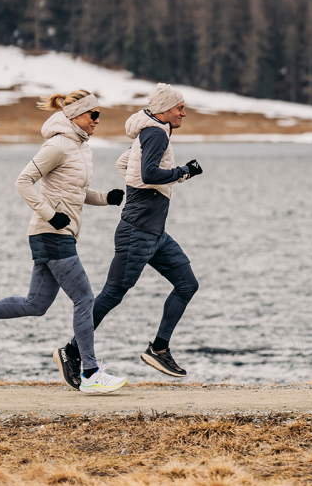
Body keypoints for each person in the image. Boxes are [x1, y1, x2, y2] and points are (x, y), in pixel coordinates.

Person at [0, 89, 128, 394]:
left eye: (99, 115)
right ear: (76, 115)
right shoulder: (57, 145)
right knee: (84, 299)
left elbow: (74, 192)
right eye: (93, 114)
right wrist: (51, 214)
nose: (97, 120)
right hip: (51, 234)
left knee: (36, 304)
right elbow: (23, 181)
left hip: (53, 235)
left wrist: (104, 198)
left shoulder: (81, 148)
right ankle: (91, 373)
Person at [54, 83, 203, 388]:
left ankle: (158, 349)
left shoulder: (152, 132)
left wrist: (150, 185)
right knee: (111, 295)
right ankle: (70, 352)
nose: (184, 113)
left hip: (154, 232)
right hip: (137, 231)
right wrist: (181, 172)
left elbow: (127, 165)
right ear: (164, 109)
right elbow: (148, 175)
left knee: (187, 283)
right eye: (180, 108)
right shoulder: (156, 133)